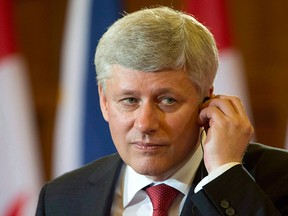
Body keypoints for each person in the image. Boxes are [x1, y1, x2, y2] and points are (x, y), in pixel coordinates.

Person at [36, 6, 288, 216]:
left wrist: (225, 176)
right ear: (104, 102)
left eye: (167, 100)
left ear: (207, 99)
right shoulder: (60, 199)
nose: (145, 124)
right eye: (129, 100)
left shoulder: (278, 180)